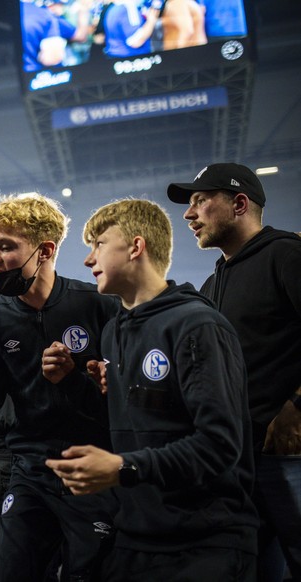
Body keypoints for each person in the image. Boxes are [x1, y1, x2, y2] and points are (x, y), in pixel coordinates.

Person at [45, 198, 257, 581]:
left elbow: (220, 444)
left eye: (98, 244)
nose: (88, 260)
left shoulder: (197, 325)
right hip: (137, 539)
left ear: (136, 247)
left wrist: (124, 467)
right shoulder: (113, 331)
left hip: (205, 544)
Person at [0, 194, 118, 582]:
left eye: (6, 246)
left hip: (90, 467)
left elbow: (117, 399)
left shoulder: (98, 306)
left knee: (89, 573)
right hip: (28, 469)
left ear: (45, 250)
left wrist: (85, 378)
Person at [167, 163, 301, 580]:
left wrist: (298, 406)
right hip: (238, 461)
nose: (189, 214)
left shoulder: (286, 253)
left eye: (200, 201)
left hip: (290, 458)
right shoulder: (212, 284)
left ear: (239, 203)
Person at [21, 0, 93, 71]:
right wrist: (84, 11)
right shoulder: (45, 16)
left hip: (15, 75)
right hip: (37, 75)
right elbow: (81, 36)